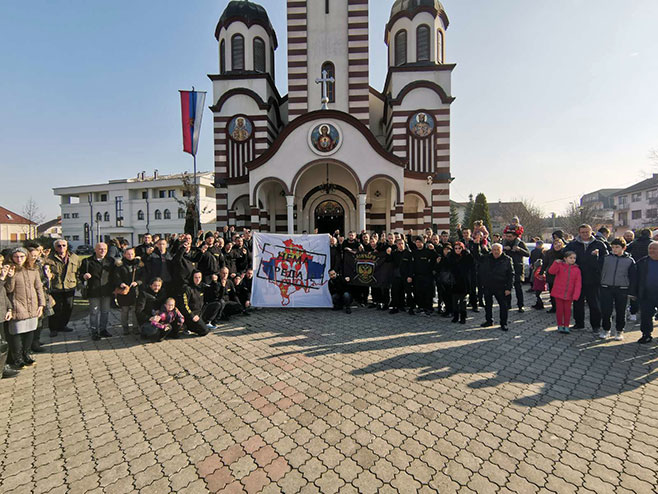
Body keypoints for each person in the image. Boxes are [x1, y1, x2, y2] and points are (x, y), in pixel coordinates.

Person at [4, 248, 45, 369]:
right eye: (16, 257)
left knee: (30, 331)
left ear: (26, 257)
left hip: (32, 305)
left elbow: (39, 288)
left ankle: (26, 355)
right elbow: (8, 290)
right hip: (17, 305)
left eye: (22, 256)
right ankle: (17, 358)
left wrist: (41, 305)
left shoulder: (33, 270)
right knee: (17, 332)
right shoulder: (10, 270)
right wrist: (10, 277)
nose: (19, 259)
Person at [565, 224, 607, 332]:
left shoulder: (599, 244)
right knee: (578, 303)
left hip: (593, 279)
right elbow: (563, 253)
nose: (584, 234)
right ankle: (579, 323)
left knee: (594, 304)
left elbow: (606, 258)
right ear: (579, 233)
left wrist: (596, 261)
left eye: (587, 232)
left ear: (591, 231)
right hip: (577, 278)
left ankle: (596, 325)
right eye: (582, 232)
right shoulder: (573, 244)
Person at [599, 238, 635, 341]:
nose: (614, 249)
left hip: (622, 288)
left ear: (624, 248)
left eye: (617, 247)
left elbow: (633, 276)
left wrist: (632, 291)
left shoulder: (629, 260)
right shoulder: (605, 258)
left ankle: (619, 331)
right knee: (606, 310)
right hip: (606, 287)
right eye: (613, 247)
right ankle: (606, 329)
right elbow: (597, 269)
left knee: (621, 311)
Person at [46, 239, 82, 337]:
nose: (61, 247)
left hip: (70, 286)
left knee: (68, 307)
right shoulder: (49, 258)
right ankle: (53, 328)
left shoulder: (74, 257)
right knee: (55, 308)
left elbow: (79, 271)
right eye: (59, 246)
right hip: (56, 287)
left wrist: (79, 283)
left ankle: (62, 325)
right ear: (55, 248)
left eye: (63, 245)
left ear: (67, 246)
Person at [80, 243, 115, 341]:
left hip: (106, 290)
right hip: (93, 291)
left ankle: (103, 329)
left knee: (105, 311)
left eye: (105, 249)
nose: (102, 251)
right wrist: (84, 276)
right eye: (100, 249)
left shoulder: (110, 261)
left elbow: (114, 275)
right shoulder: (87, 261)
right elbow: (80, 274)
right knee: (94, 312)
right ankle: (94, 331)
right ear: (95, 250)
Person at [479, 244, 514, 331]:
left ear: (501, 250)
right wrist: (476, 244)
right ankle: (489, 321)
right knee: (488, 305)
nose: (496, 251)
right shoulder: (486, 258)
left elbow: (511, 275)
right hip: (488, 285)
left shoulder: (507, 259)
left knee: (503, 306)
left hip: (501, 286)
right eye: (494, 249)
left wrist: (508, 288)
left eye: (498, 249)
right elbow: (477, 256)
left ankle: (503, 323)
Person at [630, 241, 658, 344]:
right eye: (650, 249)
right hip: (646, 294)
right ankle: (646, 335)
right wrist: (633, 293)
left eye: (654, 249)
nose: (651, 251)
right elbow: (635, 279)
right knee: (646, 316)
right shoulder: (642, 262)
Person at [548, 251, 582, 334]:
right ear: (565, 258)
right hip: (558, 292)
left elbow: (578, 284)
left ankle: (566, 326)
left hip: (569, 294)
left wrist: (576, 295)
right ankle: (560, 325)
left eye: (574, 258)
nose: (572, 260)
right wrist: (555, 263)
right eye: (570, 258)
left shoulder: (577, 270)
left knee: (567, 310)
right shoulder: (560, 266)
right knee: (559, 310)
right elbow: (551, 271)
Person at [112, 247, 144, 335]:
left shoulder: (139, 265)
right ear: (124, 254)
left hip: (135, 291)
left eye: (132, 254)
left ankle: (135, 327)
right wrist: (120, 283)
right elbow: (116, 276)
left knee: (134, 310)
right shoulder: (120, 265)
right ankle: (125, 328)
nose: (130, 256)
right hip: (124, 291)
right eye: (128, 254)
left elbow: (143, 277)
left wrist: (137, 282)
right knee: (124, 310)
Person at [502, 226, 530, 312]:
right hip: (506, 268)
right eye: (507, 236)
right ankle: (508, 304)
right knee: (507, 288)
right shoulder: (504, 243)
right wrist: (503, 249)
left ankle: (520, 305)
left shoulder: (520, 243)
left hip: (517, 267)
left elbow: (528, 254)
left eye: (510, 236)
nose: (508, 238)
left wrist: (519, 249)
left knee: (518, 288)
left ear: (515, 236)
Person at [446, 242, 473, 324]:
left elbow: (472, 263)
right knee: (454, 301)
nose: (457, 250)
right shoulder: (451, 256)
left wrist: (468, 253)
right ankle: (455, 316)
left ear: (462, 248)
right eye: (456, 248)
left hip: (463, 281)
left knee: (463, 301)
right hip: (454, 281)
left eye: (459, 248)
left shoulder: (466, 256)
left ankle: (463, 317)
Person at [410, 237, 438, 316]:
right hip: (417, 276)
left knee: (428, 293)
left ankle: (429, 308)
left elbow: (437, 258)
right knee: (418, 292)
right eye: (417, 242)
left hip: (428, 276)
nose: (418, 244)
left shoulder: (428, 251)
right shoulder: (414, 252)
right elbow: (412, 265)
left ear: (423, 242)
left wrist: (433, 250)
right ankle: (420, 307)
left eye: (420, 242)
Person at [179, 271, 211, 335]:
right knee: (205, 331)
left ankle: (205, 323)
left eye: (199, 277)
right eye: (195, 277)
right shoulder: (187, 289)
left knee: (217, 304)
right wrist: (192, 316)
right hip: (192, 316)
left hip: (200, 313)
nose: (198, 279)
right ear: (192, 278)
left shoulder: (202, 286)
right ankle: (189, 327)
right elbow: (184, 305)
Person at [1, 258, 18, 378]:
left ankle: (3, 366)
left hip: (2, 314)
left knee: (3, 343)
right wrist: (2, 278)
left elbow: (4, 294)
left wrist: (9, 308)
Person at [541, 238, 565, 313]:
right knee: (552, 292)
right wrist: (541, 272)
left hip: (562, 275)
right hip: (551, 274)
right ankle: (554, 307)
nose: (557, 245)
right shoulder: (549, 253)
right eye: (555, 244)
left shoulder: (564, 252)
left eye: (559, 244)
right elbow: (545, 263)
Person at [389, 238, 413, 314]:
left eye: (402, 243)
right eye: (399, 244)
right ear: (396, 245)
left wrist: (410, 276)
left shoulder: (408, 253)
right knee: (395, 292)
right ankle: (396, 307)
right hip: (396, 276)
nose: (401, 245)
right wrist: (388, 253)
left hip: (406, 276)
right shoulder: (394, 253)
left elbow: (411, 266)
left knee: (408, 292)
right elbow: (388, 260)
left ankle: (410, 308)